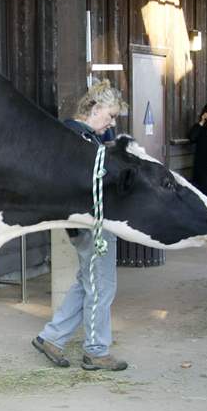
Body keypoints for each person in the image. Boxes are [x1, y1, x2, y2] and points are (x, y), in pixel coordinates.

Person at [32, 80, 129, 372]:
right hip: (92, 223)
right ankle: (96, 350)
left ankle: (51, 337)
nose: (111, 123)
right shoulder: (79, 139)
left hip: (84, 222)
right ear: (95, 108)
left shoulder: (74, 135)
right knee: (102, 286)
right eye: (110, 116)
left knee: (86, 284)